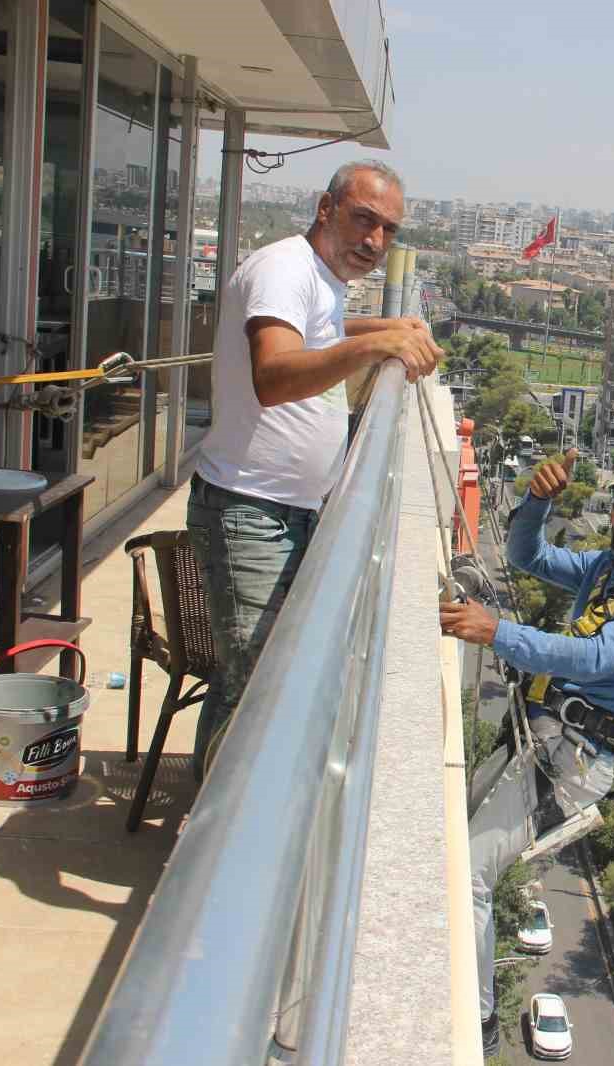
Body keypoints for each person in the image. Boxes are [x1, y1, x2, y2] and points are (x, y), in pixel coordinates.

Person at [439, 439, 614, 1057]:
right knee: (450, 844)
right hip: (545, 735)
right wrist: (535, 499)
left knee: (469, 875)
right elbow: (528, 555)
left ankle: (474, 1028)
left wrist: (498, 632)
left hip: (575, 758)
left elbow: (594, 656)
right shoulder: (609, 566)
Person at [187, 160, 441, 781]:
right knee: (259, 689)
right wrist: (371, 347)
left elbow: (317, 332)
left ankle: (206, 825)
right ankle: (219, 851)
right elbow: (273, 375)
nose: (375, 242)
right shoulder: (283, 269)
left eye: (388, 230)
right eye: (363, 220)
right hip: (251, 510)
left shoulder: (317, 277)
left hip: (285, 511)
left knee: (248, 678)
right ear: (324, 209)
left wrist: (386, 326)